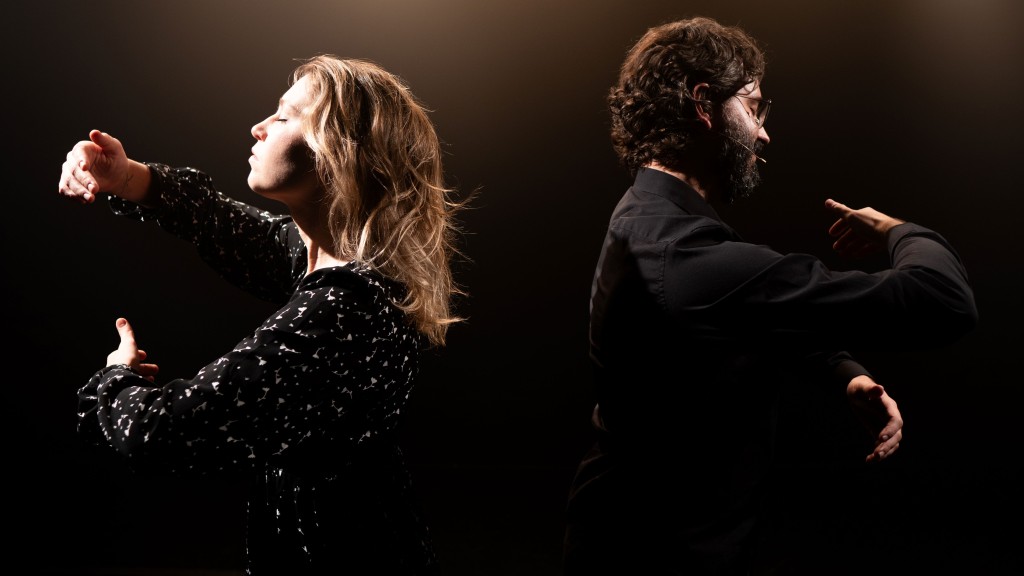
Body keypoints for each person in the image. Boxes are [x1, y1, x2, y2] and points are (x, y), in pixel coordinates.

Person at [563, 16, 978, 576]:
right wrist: (899, 230)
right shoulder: (689, 258)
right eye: (754, 107)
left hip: (623, 537)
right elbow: (943, 300)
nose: (763, 135)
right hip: (667, 557)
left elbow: (730, 322)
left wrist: (842, 371)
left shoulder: (644, 215)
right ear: (704, 104)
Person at [58, 55, 466, 576]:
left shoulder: (339, 314)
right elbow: (226, 225)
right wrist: (125, 176)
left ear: (337, 154)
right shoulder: (348, 267)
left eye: (285, 115)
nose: (259, 126)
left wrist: (113, 380)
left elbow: (161, 432)